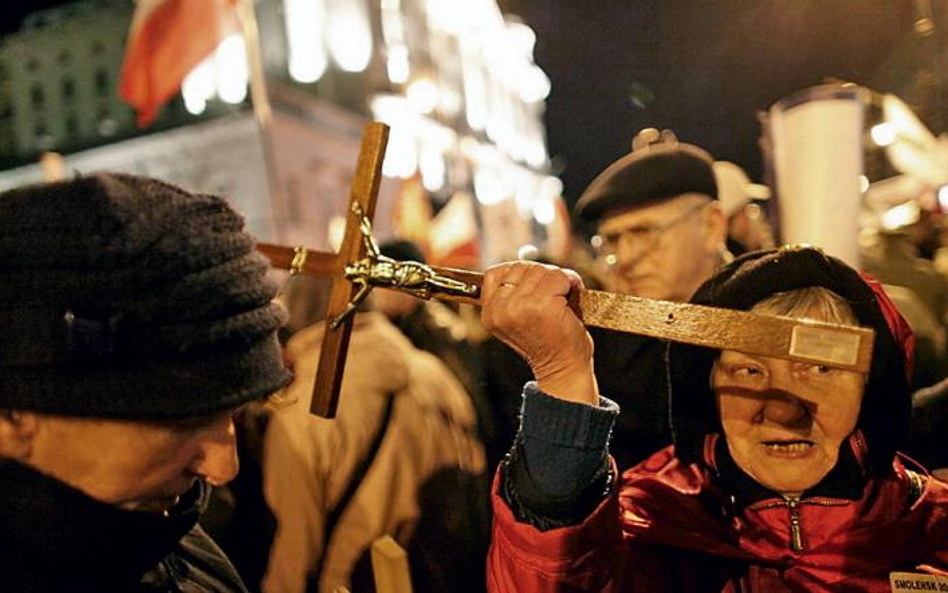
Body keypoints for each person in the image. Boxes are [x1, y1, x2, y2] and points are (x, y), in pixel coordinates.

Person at [480, 245, 948, 591]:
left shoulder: (935, 531)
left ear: (869, 390)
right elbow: (558, 576)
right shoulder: (650, 523)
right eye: (749, 370)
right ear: (710, 391)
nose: (783, 410)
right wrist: (563, 373)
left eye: (820, 369)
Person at [0, 173, 292, 592]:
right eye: (185, 421)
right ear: (12, 420)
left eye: (234, 416)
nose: (223, 469)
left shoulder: (164, 537)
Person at [262, 284, 490, 593]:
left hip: (353, 582)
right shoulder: (435, 373)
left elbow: (295, 545)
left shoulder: (305, 410)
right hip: (447, 576)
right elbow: (474, 476)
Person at [572, 130, 729, 467]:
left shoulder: (765, 322)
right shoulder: (600, 349)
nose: (626, 257)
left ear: (711, 226)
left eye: (644, 232)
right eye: (613, 240)